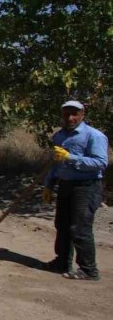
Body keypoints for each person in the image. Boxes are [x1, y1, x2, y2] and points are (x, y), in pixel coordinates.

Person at [41, 100, 108, 281]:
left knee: (79, 228)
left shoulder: (94, 136)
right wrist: (49, 185)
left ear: (82, 115)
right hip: (65, 184)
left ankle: (88, 269)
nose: (70, 118)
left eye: (74, 114)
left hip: (86, 186)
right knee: (62, 225)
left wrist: (71, 157)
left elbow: (101, 163)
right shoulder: (60, 137)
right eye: (66, 114)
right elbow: (55, 163)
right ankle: (62, 262)